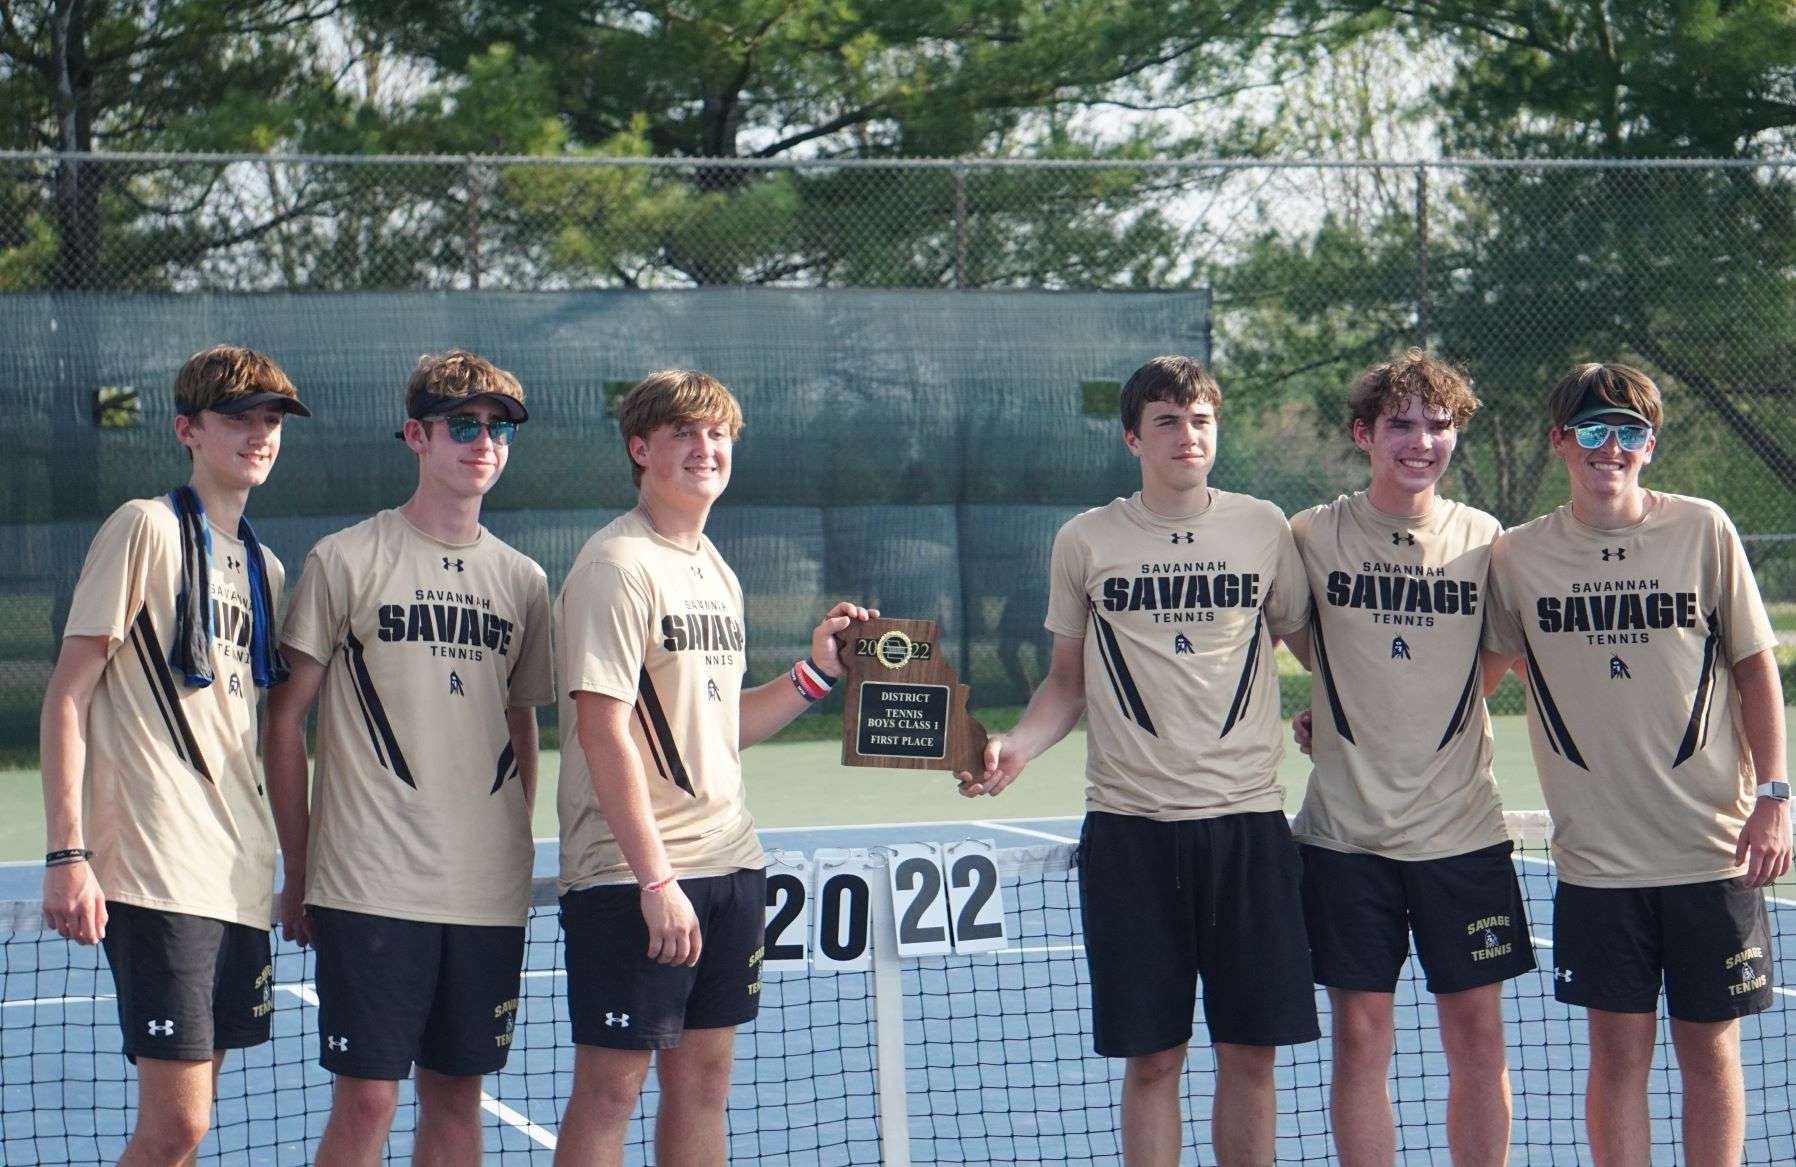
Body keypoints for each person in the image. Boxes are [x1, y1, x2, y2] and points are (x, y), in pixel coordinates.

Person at [962, 354, 1319, 1167]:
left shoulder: (1264, 527)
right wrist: (1014, 747)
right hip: (1131, 835)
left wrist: (1334, 716)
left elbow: (1311, 647)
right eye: (1166, 420)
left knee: (1250, 1055)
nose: (1186, 434)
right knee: (1154, 1059)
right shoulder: (1086, 540)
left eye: (1200, 419)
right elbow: (1065, 683)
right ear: (1133, 438)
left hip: (1249, 830)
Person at [552, 369, 874, 1167]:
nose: (706, 448)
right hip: (636, 876)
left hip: (731, 865)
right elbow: (604, 730)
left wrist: (817, 672)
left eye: (718, 434)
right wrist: (656, 880)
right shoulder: (616, 564)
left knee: (704, 1082)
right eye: (684, 434)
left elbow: (715, 726)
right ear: (640, 448)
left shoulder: (715, 570)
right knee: (612, 1089)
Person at [1481, 362, 1790, 1167]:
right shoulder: (1518, 557)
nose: (1607, 447)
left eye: (1627, 431)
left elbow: (1756, 669)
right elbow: (1474, 673)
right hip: (1597, 864)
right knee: (1616, 1055)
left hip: (1709, 849)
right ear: (1559, 442)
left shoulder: (1704, 530)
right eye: (1590, 429)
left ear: (1649, 445)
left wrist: (1776, 796)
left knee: (1708, 1052)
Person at [265, 351, 552, 1166]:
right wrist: (301, 868)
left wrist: (506, 842)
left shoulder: (523, 580)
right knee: (369, 1102)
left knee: (457, 1103)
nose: (483, 443)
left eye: (498, 430)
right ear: (416, 436)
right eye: (463, 425)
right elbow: (285, 722)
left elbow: (520, 723)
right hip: (371, 882)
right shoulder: (345, 559)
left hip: (486, 893)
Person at [39, 345, 308, 1165]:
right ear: (188, 429)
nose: (259, 434)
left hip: (234, 872)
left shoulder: (264, 566)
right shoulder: (143, 526)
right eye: (238, 417)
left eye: (270, 420)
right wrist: (67, 852)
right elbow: (67, 694)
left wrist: (289, 874)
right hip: (156, 871)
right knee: (178, 1123)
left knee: (193, 1125)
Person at [1286, 350, 1533, 1167]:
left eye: (1440, 423)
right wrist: (1332, 698)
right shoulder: (1313, 534)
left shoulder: (1485, 540)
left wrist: (1426, 705)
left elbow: (1495, 656)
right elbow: (1292, 630)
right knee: (1360, 1038)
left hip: (1461, 834)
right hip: (1345, 840)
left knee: (1478, 1037)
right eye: (1401, 422)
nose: (1421, 440)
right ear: (1364, 433)